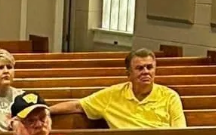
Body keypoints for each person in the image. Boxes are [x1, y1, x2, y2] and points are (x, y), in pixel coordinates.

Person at [50, 49, 187, 130]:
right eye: (139, 68)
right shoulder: (112, 95)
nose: (146, 72)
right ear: (128, 74)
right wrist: (47, 110)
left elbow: (180, 134)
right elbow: (77, 105)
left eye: (149, 67)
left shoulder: (170, 97)